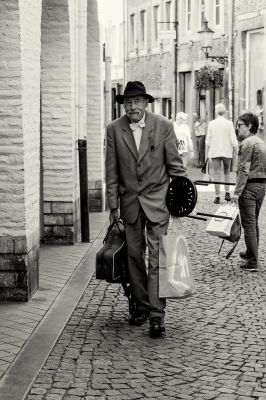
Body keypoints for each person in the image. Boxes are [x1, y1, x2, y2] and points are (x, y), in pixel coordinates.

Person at [105, 81, 186, 337]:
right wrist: (112, 206)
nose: (132, 107)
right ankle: (139, 306)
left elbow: (176, 166)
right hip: (129, 204)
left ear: (146, 103)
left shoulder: (163, 126)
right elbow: (112, 171)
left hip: (157, 203)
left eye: (137, 101)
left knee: (157, 258)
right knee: (134, 258)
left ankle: (156, 314)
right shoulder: (114, 129)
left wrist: (180, 201)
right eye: (128, 102)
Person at [231, 112, 266, 272]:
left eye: (240, 125)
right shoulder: (261, 142)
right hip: (261, 187)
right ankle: (252, 252)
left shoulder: (246, 144)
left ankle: (252, 260)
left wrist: (237, 192)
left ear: (250, 126)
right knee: (254, 223)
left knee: (249, 224)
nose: (237, 129)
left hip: (249, 187)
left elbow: (243, 170)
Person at [206, 103, 238, 204]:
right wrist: (237, 151)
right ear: (225, 112)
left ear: (216, 112)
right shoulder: (229, 123)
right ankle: (227, 192)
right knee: (227, 172)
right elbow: (233, 139)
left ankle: (217, 196)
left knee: (216, 173)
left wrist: (207, 152)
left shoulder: (211, 123)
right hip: (226, 151)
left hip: (215, 151)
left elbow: (208, 139)